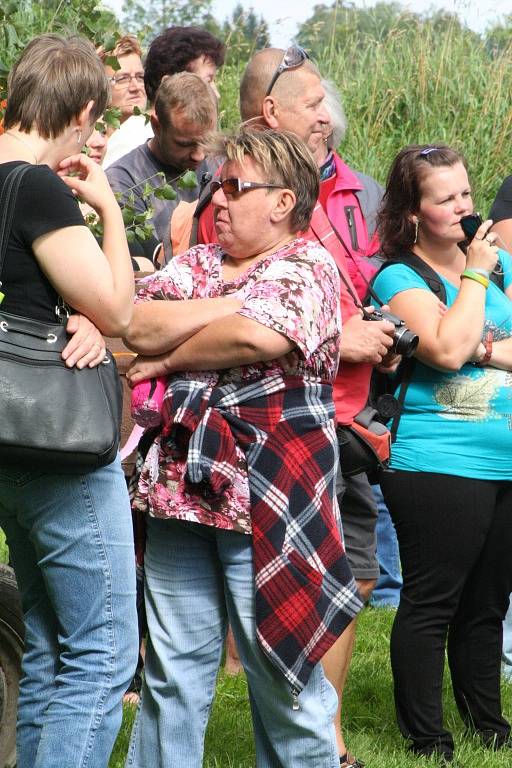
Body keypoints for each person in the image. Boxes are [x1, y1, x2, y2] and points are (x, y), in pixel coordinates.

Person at [122, 127, 363, 768]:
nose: (218, 201)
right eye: (215, 187)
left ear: (284, 201)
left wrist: (166, 358)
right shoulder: (200, 263)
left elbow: (256, 339)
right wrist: (229, 301)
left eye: (234, 187)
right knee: (172, 676)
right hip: (184, 493)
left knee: (281, 679)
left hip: (272, 497)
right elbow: (132, 321)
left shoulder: (309, 265)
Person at [194, 50, 396, 767]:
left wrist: (384, 328)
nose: (327, 114)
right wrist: (344, 336)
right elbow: (240, 316)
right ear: (270, 111)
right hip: (273, 433)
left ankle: (322, 730)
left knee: (350, 578)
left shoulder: (351, 188)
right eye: (311, 101)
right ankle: (312, 737)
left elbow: (348, 279)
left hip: (350, 416)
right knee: (281, 595)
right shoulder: (229, 193)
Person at [0, 33, 139, 768]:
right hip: (57, 448)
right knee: (104, 656)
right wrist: (109, 210)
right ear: (83, 110)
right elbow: (119, 313)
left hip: (8, 446)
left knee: (50, 645)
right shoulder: (37, 186)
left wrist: (65, 312)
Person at [373, 143, 512, 763]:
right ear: (412, 215)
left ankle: (489, 725)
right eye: (445, 198)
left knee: (488, 601)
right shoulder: (398, 277)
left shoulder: (499, 268)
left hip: (504, 458)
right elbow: (448, 351)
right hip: (437, 459)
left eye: (466, 193)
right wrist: (477, 282)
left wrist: (478, 337)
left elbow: (463, 339)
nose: (464, 209)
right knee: (434, 600)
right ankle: (428, 738)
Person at [106, 71, 217, 263]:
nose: (198, 155)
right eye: (184, 144)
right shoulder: (123, 181)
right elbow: (156, 264)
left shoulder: (224, 164)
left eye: (207, 142)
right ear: (156, 125)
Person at [103, 26, 225, 169]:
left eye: (139, 76)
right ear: (170, 82)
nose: (216, 94)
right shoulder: (133, 139)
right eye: (207, 81)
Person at [97, 34, 150, 169]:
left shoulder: (156, 138)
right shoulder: (87, 143)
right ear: (101, 87)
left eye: (140, 77)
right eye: (123, 79)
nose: (136, 87)